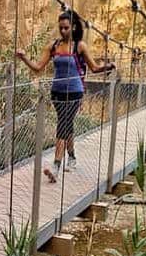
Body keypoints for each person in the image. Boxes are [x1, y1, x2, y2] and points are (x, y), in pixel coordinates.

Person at [16, 10, 115, 182]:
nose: (63, 31)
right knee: (66, 124)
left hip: (75, 91)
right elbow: (38, 68)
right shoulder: (53, 46)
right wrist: (24, 58)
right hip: (57, 92)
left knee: (62, 124)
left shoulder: (80, 46)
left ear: (73, 27)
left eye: (66, 28)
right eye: (60, 28)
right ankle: (72, 157)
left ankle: (56, 166)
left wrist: (109, 66)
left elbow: (93, 68)